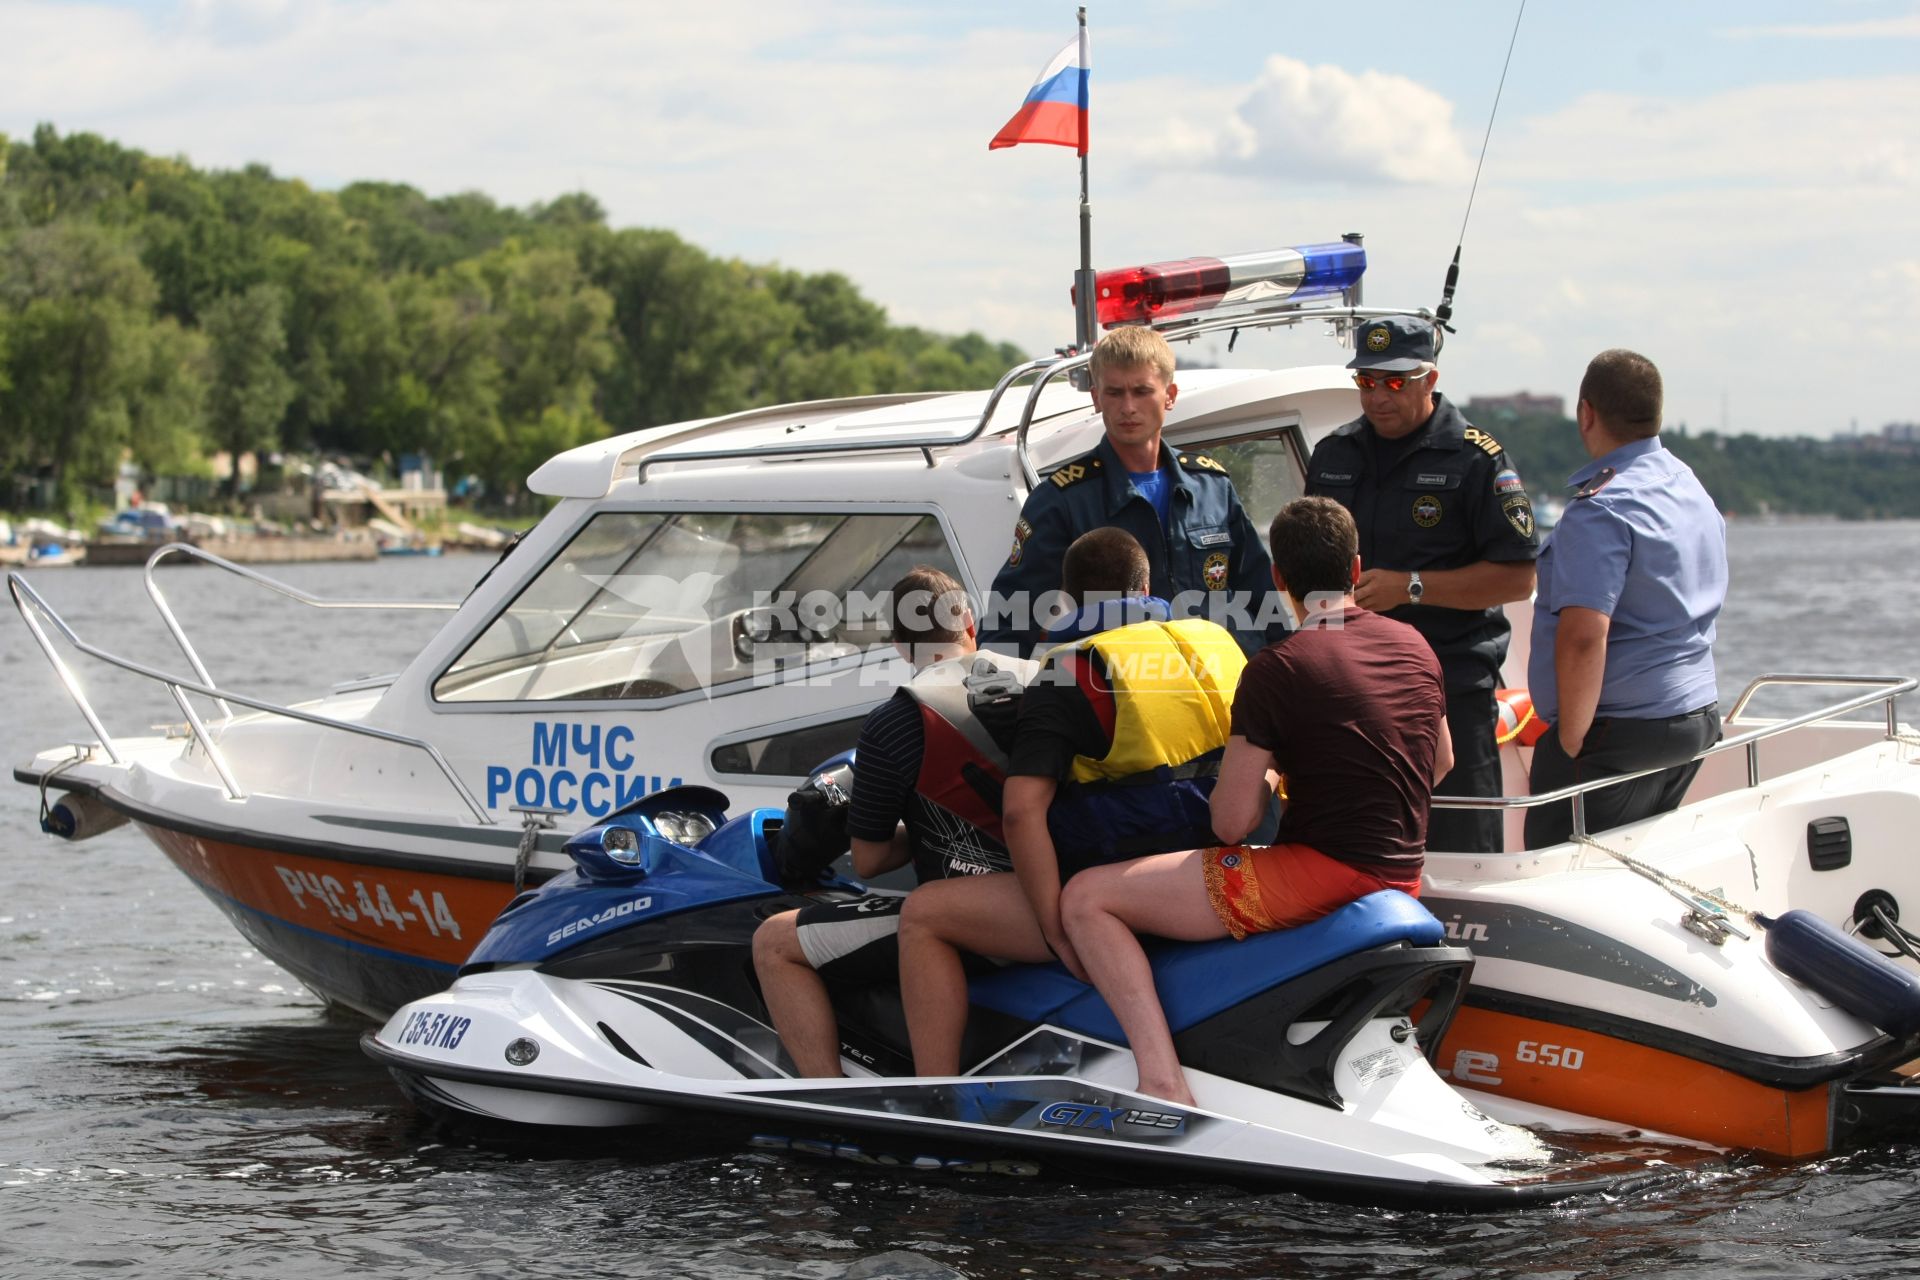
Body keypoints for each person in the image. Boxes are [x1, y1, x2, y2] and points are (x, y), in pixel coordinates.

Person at [1058, 496, 1451, 1105]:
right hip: (1405, 874)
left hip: (1326, 875)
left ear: (1279, 580)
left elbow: (1231, 820)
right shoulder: (1416, 645)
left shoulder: (1279, 667)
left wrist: (1273, 775)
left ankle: (1162, 1081)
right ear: (1355, 568)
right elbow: (1441, 762)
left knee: (1087, 899)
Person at [898, 527, 1246, 1077]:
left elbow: (1020, 812)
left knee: (922, 914)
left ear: (1067, 601)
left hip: (1129, 884)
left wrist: (1054, 927)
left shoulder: (1068, 671)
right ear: (1147, 586)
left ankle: (935, 1096)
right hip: (1229, 863)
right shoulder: (1216, 642)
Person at [751, 567, 1038, 1077]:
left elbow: (870, 860)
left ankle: (829, 1101)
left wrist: (918, 832)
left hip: (982, 921)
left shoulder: (893, 723)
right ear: (968, 620)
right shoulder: (1040, 678)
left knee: (773, 941)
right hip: (1063, 895)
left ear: (901, 646)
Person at [1305, 314, 1538, 853]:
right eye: (1366, 382)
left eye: (1394, 383)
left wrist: (1410, 588)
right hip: (1354, 687)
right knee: (1359, 845)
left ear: (1429, 379)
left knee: (1463, 850)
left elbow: (1518, 576)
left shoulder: (1478, 459)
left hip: (1448, 685)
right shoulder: (1334, 455)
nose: (1378, 397)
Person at [1524, 350, 1727, 849]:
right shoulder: (1688, 485)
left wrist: (1570, 742)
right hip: (1694, 719)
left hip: (1620, 734)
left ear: (1586, 413)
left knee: (1552, 878)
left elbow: (1583, 638)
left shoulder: (1602, 509)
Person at [982, 325, 1278, 655]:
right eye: (1114, 392)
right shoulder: (1061, 501)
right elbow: (1010, 620)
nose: (1128, 407)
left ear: (1170, 395)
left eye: (1141, 391)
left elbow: (1264, 602)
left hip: (1221, 691)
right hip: (1120, 694)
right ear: (1096, 398)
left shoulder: (1212, 487)